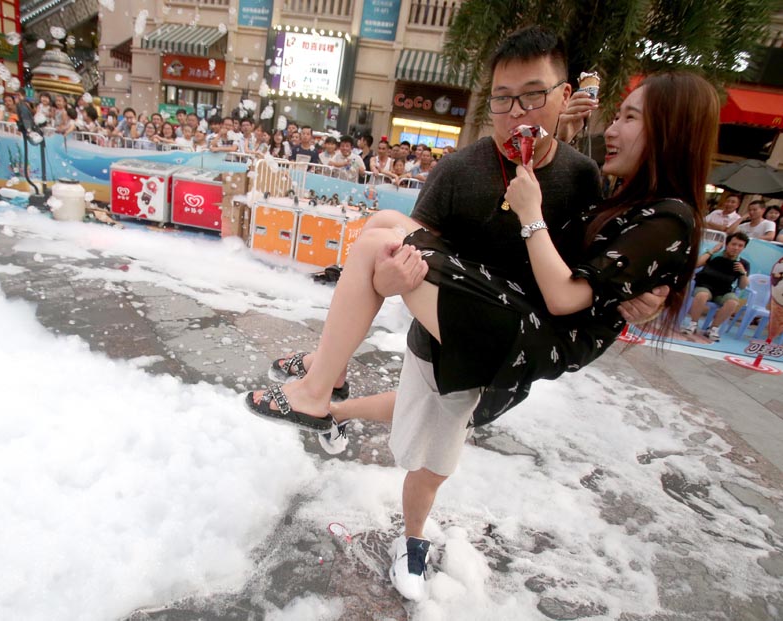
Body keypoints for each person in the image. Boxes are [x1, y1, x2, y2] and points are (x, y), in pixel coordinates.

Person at [248, 28, 710, 602]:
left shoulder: (587, 179)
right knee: (383, 237)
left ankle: (387, 497)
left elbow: (586, 284)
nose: (516, 112)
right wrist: (388, 281)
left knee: (432, 458)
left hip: (511, 331)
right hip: (447, 316)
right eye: (502, 97)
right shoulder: (459, 171)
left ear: (565, 98)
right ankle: (328, 389)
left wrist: (633, 298)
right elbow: (411, 256)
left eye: (533, 96)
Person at [681, 232, 750, 341]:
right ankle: (693, 324)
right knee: (702, 295)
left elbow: (742, 286)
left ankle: (713, 329)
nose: (736, 248)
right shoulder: (714, 255)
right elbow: (696, 264)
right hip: (705, 286)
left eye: (740, 246)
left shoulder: (743, 264)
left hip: (724, 291)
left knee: (733, 302)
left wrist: (743, 273)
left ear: (744, 248)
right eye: (733, 244)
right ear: (727, 244)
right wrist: (712, 251)